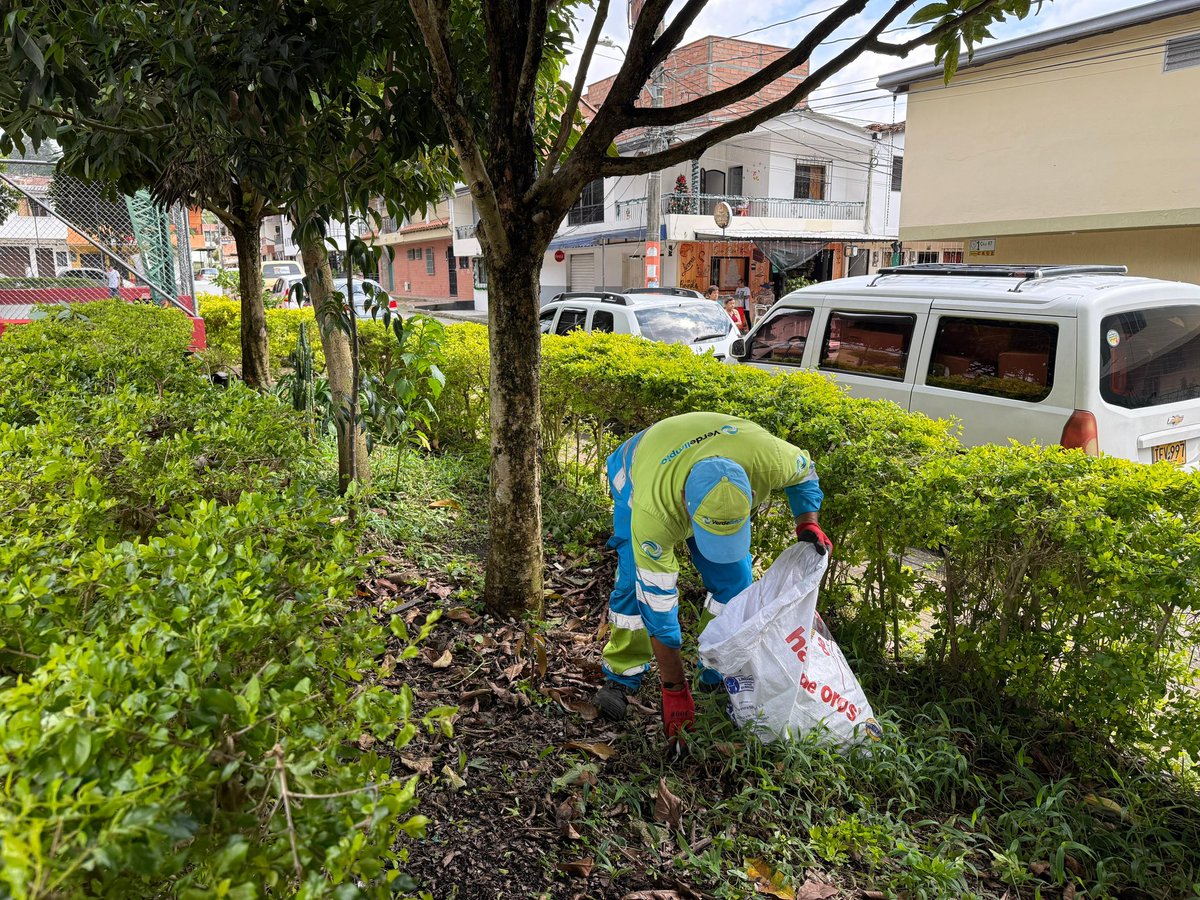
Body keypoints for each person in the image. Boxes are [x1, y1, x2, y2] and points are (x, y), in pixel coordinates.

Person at [593, 411, 832, 746]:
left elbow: (806, 472)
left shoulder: (768, 459)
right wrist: (674, 689)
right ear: (685, 508)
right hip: (637, 471)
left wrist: (807, 521)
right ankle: (622, 674)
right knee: (635, 586)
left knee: (737, 584)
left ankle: (716, 671)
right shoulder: (654, 512)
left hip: (710, 453)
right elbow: (658, 607)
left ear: (750, 490)